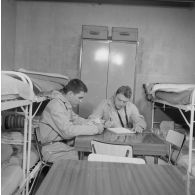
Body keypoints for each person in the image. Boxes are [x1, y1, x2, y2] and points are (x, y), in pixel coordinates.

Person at [39, 79, 104, 162]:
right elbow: (68, 132)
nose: (80, 101)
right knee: (88, 159)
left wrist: (93, 123)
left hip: (61, 146)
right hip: (52, 150)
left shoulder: (64, 104)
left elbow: (75, 119)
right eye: (79, 98)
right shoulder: (56, 106)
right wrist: (95, 129)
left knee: (91, 154)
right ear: (70, 94)